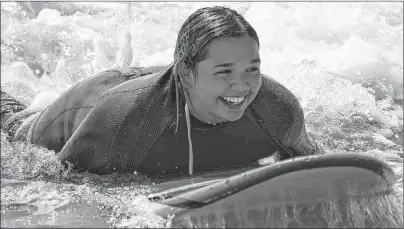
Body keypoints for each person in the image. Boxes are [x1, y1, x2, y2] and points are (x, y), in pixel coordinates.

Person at [1, 6, 319, 177]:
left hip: (144, 90)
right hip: (85, 109)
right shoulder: (126, 125)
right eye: (224, 72)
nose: (243, 86)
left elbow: (317, 167)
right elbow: (55, 184)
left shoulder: (279, 113)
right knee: (11, 125)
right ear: (186, 74)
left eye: (252, 68)